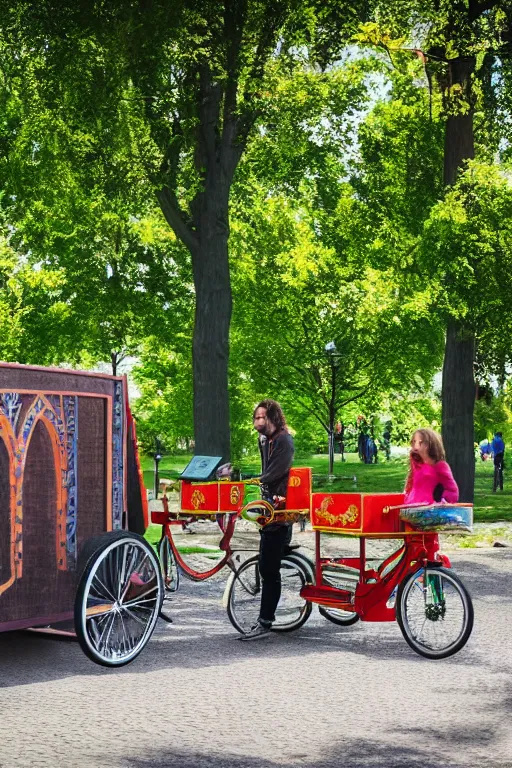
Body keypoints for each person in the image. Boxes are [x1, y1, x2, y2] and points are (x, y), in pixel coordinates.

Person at [239, 399, 295, 641]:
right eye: (256, 418)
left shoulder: (284, 439)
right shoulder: (264, 440)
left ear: (273, 418)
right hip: (268, 508)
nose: (257, 422)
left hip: (280, 510)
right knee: (267, 564)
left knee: (269, 570)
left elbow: (276, 471)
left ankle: (265, 622)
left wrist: (256, 480)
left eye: (262, 417)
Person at [404, 429, 459, 505]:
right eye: (414, 442)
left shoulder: (440, 466)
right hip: (412, 506)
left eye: (420, 442)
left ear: (430, 445)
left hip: (429, 509)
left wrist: (442, 501)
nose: (416, 446)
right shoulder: (417, 465)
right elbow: (411, 485)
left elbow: (452, 491)